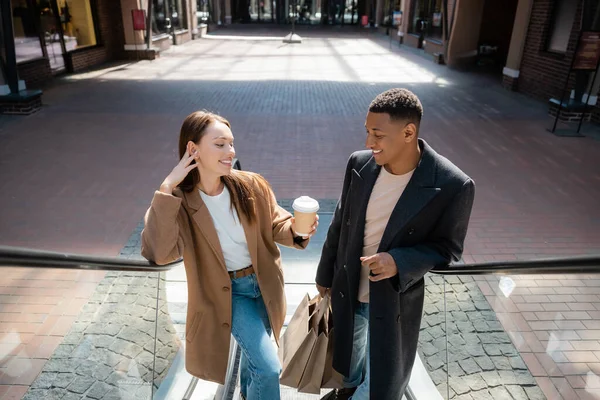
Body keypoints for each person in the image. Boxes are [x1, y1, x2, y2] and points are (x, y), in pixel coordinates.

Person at [141, 111, 319, 400]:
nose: (231, 151)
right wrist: (166, 187)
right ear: (192, 149)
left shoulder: (251, 185)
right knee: (269, 367)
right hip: (227, 294)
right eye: (220, 144)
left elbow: (276, 224)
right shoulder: (179, 202)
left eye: (231, 143)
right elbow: (159, 253)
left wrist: (299, 230)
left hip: (264, 285)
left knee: (254, 364)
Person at [316, 88, 475, 400]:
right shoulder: (358, 164)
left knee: (381, 385)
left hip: (393, 301)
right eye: (367, 132)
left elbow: (449, 249)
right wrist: (325, 276)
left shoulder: (453, 184)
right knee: (349, 365)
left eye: (377, 134)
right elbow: (340, 223)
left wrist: (398, 261)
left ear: (408, 132)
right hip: (349, 290)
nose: (368, 143)